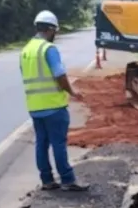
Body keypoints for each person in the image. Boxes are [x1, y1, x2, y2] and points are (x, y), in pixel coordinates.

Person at [20, 10, 88, 192]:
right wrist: (72, 92)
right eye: (55, 31)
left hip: (34, 107)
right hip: (54, 106)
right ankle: (67, 180)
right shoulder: (48, 49)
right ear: (50, 29)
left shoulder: (26, 50)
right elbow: (59, 75)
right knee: (58, 143)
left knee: (41, 143)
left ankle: (47, 180)